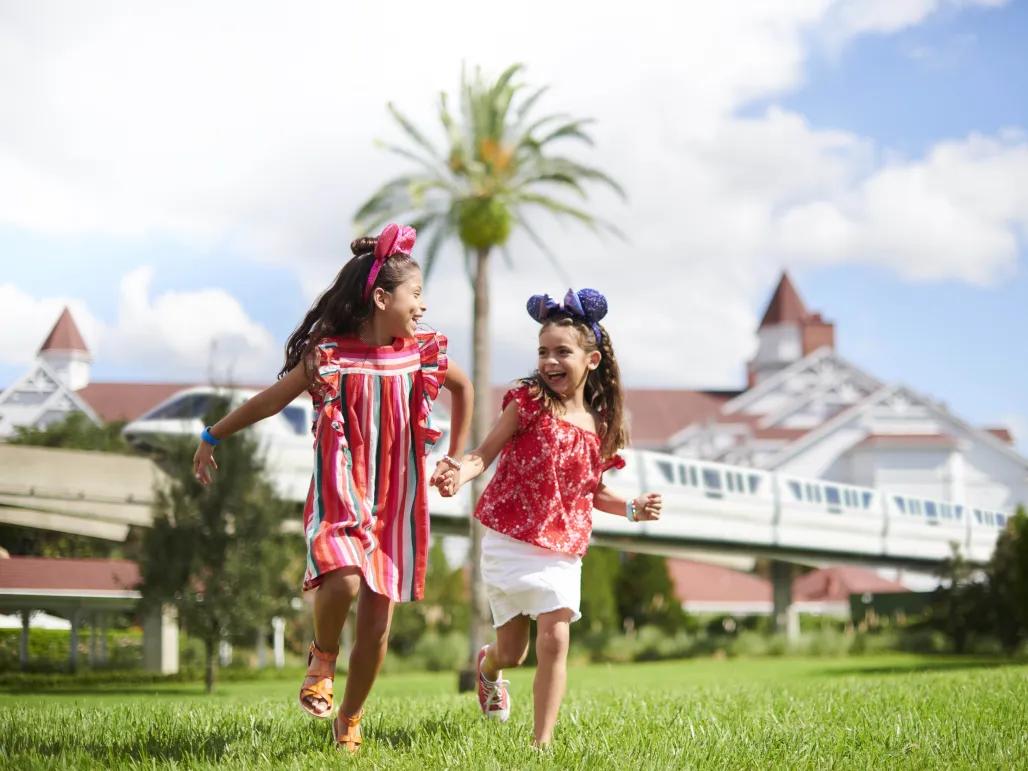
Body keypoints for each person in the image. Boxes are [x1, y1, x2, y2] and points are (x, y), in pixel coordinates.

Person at [193, 224, 472, 752]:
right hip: (342, 494)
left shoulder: (421, 351)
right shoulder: (328, 356)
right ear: (382, 297)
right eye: (416, 293)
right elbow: (270, 401)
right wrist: (212, 434)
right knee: (340, 582)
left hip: (397, 502)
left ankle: (351, 717)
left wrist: (454, 458)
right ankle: (322, 658)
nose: (423, 304)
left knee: (376, 629)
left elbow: (464, 388)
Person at [437, 288, 661, 748]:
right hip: (509, 540)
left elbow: (593, 492)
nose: (550, 361)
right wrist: (459, 474)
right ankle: (488, 668)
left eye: (563, 352)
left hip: (562, 549)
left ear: (592, 360)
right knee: (512, 654)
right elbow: (484, 454)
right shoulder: (528, 402)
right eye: (543, 352)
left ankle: (541, 744)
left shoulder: (600, 426)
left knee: (555, 641)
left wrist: (633, 508)